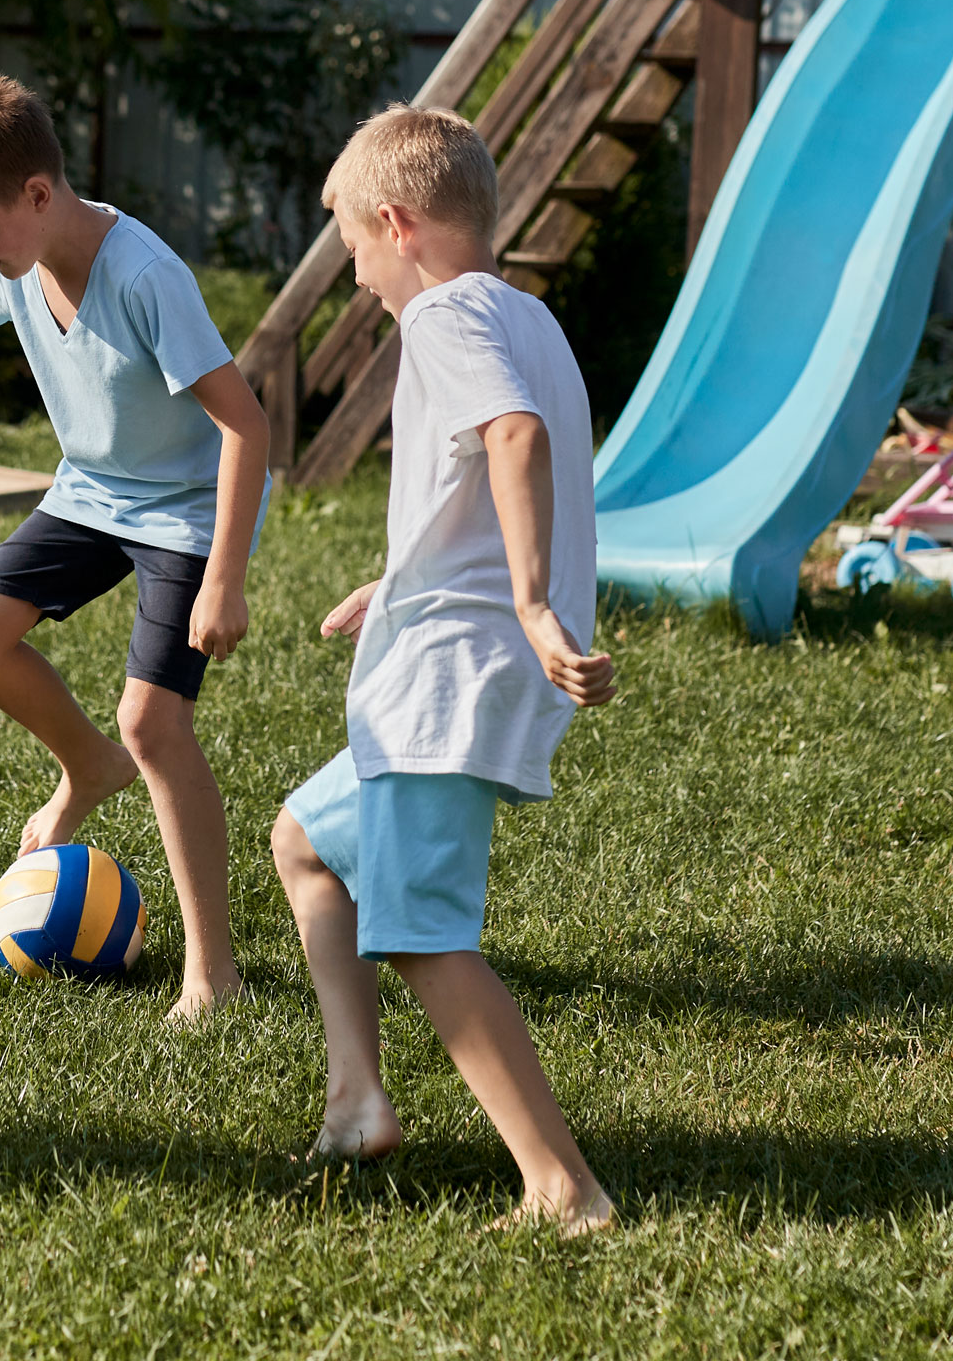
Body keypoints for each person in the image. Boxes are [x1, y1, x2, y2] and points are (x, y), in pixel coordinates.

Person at [0, 68, 269, 1020]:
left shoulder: (145, 276)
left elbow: (247, 426)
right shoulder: (22, 261)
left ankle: (214, 971)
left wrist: (225, 583)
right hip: (95, 491)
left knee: (155, 725)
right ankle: (88, 766)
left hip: (186, 509)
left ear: (36, 195)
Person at [269, 104, 617, 1233]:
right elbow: (490, 472)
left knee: (422, 932)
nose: (355, 270)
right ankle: (356, 1096)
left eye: (351, 241)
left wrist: (523, 604)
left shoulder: (443, 317)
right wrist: (406, 574)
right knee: (307, 840)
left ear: (397, 221)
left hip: (448, 679)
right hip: (450, 650)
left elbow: (512, 435)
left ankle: (563, 1187)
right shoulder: (528, 314)